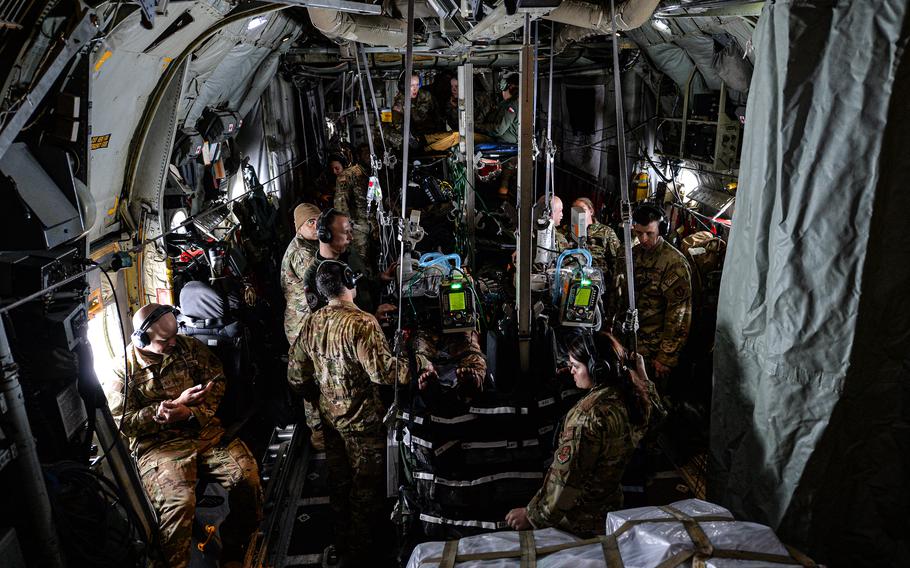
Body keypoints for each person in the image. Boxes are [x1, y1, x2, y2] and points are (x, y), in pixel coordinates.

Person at [287, 261, 436, 565]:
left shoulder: (312, 323)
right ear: (349, 281)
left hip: (331, 422)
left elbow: (296, 376)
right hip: (364, 426)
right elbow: (385, 374)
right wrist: (417, 361)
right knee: (366, 496)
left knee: (339, 489)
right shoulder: (362, 323)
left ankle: (341, 545)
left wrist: (322, 400)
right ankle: (360, 558)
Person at [107, 304, 262, 568]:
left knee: (247, 478)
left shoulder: (187, 347)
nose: (172, 343)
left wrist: (191, 413)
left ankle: (234, 544)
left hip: (202, 432)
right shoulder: (122, 371)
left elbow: (217, 380)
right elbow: (120, 423)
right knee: (179, 504)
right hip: (159, 446)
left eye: (174, 335)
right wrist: (161, 413)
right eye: (164, 340)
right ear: (142, 339)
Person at [504, 333, 663, 537]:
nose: (571, 371)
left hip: (578, 521)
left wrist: (532, 516)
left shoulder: (587, 417)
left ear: (598, 369)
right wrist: (643, 375)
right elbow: (657, 416)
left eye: (575, 366)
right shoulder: (634, 397)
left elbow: (567, 477)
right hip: (610, 509)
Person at [621, 203, 692, 387]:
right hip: (629, 343)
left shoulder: (674, 263)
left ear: (661, 231)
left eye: (649, 233)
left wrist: (666, 357)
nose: (643, 239)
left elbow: (679, 314)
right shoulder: (632, 255)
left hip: (654, 352)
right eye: (638, 233)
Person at [302, 208, 396, 316]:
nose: (351, 237)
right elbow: (328, 320)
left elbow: (364, 286)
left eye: (350, 232)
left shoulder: (350, 254)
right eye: (346, 232)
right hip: (358, 329)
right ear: (326, 236)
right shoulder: (312, 275)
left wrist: (381, 279)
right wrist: (372, 319)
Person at [281, 202, 321, 344]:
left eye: (319, 220)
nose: (317, 225)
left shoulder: (313, 243)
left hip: (310, 321)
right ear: (299, 227)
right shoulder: (302, 252)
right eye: (311, 222)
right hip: (303, 325)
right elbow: (323, 284)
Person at [330, 153, 373, 272]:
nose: (335, 172)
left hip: (374, 225)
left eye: (337, 168)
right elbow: (340, 207)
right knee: (362, 265)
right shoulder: (347, 176)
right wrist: (347, 230)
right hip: (358, 228)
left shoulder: (373, 173)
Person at [477, 73, 520, 144]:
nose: (502, 91)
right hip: (501, 139)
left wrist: (478, 127)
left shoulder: (512, 105)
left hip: (504, 142)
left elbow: (499, 129)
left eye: (504, 87)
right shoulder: (506, 103)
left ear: (511, 87)